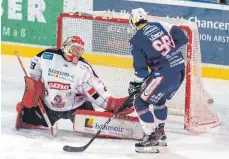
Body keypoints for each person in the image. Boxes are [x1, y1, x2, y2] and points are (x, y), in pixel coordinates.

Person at [15, 35, 135, 137]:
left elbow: (95, 91)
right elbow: (34, 68)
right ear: (66, 46)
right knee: (26, 118)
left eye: (80, 50)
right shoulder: (47, 56)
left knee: (92, 125)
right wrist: (32, 90)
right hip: (48, 107)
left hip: (76, 108)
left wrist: (110, 104)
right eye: (75, 49)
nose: (78, 53)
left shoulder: (83, 68)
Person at [128, 8, 188, 153]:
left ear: (133, 22)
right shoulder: (161, 25)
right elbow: (182, 38)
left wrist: (135, 85)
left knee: (140, 102)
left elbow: (141, 71)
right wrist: (167, 53)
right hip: (179, 71)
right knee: (159, 100)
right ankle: (161, 133)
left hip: (164, 75)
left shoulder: (136, 40)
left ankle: (150, 137)